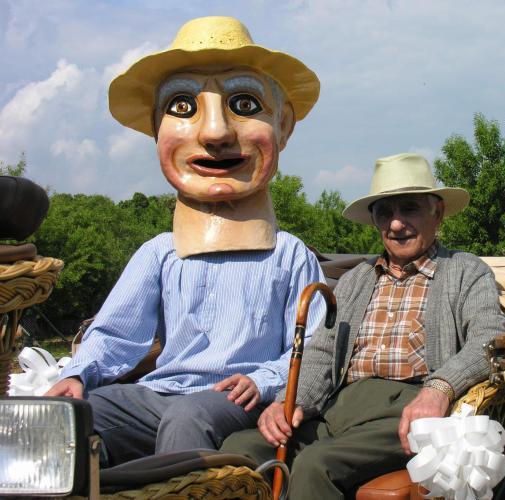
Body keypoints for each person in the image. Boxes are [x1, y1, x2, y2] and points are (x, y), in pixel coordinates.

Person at [45, 16, 326, 467]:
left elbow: (311, 346)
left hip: (232, 397)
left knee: (188, 416)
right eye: (181, 106)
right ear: (157, 128)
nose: (215, 133)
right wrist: (78, 374)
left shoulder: (289, 254)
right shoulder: (160, 252)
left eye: (245, 104)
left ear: (283, 125)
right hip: (162, 392)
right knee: (71, 417)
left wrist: (265, 381)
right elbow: (117, 333)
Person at [221, 152, 505, 499]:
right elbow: (323, 351)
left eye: (409, 209)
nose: (396, 224)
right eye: (384, 213)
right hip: (339, 408)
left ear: (437, 213)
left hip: (406, 409)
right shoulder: (357, 278)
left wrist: (440, 389)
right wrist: (290, 402)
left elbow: (491, 337)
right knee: (239, 448)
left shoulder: (465, 271)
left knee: (315, 465)